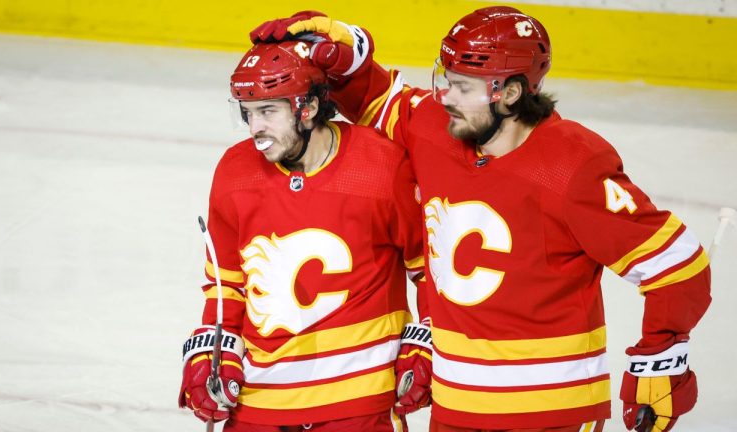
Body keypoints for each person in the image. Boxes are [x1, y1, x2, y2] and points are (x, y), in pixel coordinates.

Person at [250, 6, 712, 432]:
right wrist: (345, 56)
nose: (444, 95)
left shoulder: (572, 166)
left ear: (510, 93)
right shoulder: (436, 128)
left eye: (463, 87)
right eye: (444, 78)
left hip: (550, 411)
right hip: (456, 405)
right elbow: (374, 100)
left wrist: (661, 356)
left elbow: (677, 265)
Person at [177, 39, 429, 432]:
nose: (255, 127)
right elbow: (226, 285)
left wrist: (424, 339)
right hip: (260, 399)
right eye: (247, 113)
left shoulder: (381, 164)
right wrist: (214, 350)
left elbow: (427, 267)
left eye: (268, 111)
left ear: (308, 108)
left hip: (359, 400)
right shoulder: (234, 170)